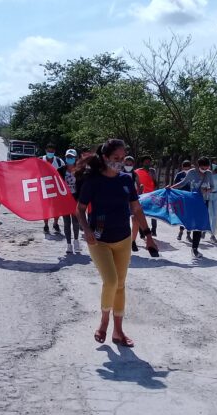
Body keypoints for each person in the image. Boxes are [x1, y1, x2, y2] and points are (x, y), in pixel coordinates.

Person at [76, 139, 158, 348]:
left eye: (123, 159)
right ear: (105, 158)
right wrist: (85, 230)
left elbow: (137, 209)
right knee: (111, 282)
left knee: (121, 286)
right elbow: (80, 209)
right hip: (99, 240)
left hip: (122, 240)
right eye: (116, 159)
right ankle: (104, 322)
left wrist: (147, 235)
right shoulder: (93, 181)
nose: (120, 163)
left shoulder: (126, 180)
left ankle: (118, 331)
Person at [171, 156, 214, 259]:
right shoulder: (191, 172)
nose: (205, 169)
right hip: (192, 201)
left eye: (207, 167)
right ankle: (183, 233)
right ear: (199, 165)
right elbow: (183, 183)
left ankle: (194, 249)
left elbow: (212, 186)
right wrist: (171, 187)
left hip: (203, 202)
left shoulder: (209, 174)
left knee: (199, 226)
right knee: (191, 222)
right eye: (204, 167)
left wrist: (207, 190)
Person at [57, 148, 82, 254]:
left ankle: (76, 241)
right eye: (68, 157)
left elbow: (83, 185)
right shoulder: (60, 170)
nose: (69, 159)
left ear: (75, 158)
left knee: (75, 222)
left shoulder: (80, 171)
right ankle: (68, 244)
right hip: (64, 200)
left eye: (71, 157)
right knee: (66, 223)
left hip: (75, 199)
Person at [41, 143, 65, 234]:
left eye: (52, 151)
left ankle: (55, 223)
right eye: (48, 151)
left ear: (54, 152)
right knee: (45, 208)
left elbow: (64, 175)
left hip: (56, 189)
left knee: (56, 208)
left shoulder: (59, 161)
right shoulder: (40, 160)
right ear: (45, 151)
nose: (50, 153)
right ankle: (46, 225)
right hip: (44, 188)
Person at [134, 155, 158, 240]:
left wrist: (156, 193)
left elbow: (155, 182)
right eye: (146, 162)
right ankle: (142, 232)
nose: (148, 163)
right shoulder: (137, 171)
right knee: (141, 214)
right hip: (141, 196)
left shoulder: (153, 171)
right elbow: (136, 183)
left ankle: (154, 230)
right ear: (142, 163)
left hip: (152, 195)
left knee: (154, 213)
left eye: (149, 162)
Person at [174, 160, 193, 241]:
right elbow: (175, 185)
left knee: (190, 216)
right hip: (181, 198)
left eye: (188, 168)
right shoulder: (179, 175)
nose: (186, 169)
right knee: (183, 216)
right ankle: (180, 232)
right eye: (185, 167)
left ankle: (188, 235)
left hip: (191, 198)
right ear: (182, 167)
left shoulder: (193, 175)